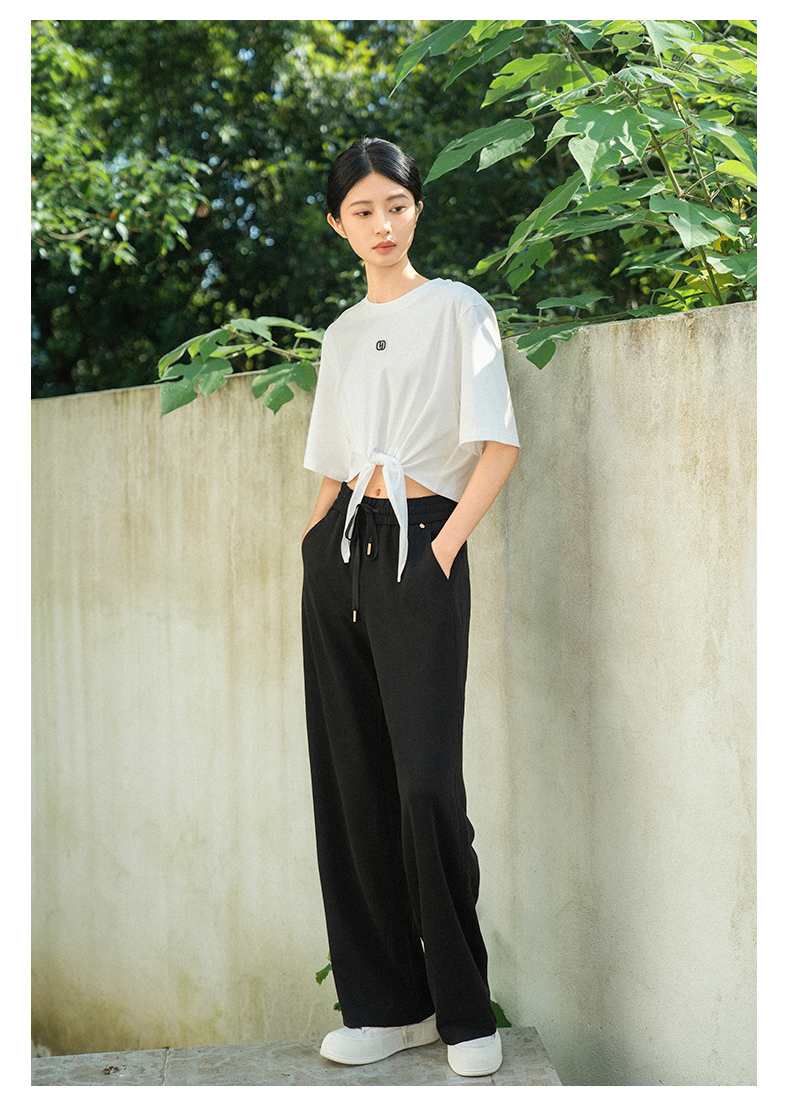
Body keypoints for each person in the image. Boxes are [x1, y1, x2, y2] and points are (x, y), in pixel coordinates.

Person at [300, 137, 520, 1079]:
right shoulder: (342, 334)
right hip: (342, 549)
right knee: (351, 781)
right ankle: (387, 1008)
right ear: (338, 226)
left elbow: (497, 446)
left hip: (421, 543)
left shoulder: (459, 309)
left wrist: (439, 552)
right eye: (363, 211)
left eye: (396, 205)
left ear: (417, 209)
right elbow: (329, 459)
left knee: (427, 784)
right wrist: (313, 551)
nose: (382, 224)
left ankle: (464, 1013)